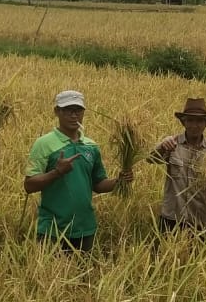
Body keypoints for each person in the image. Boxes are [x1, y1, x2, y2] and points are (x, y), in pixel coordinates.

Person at [23, 89, 132, 252]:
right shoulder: (43, 144)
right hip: (52, 230)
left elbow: (98, 184)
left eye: (78, 110)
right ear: (57, 111)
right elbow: (29, 186)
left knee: (84, 268)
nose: (74, 115)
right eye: (68, 110)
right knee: (49, 269)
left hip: (85, 228)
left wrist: (119, 181)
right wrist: (57, 172)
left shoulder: (91, 146)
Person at [151, 98, 206, 231]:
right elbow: (151, 159)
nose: (194, 125)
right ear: (183, 122)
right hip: (172, 217)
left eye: (199, 121)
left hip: (199, 219)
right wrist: (162, 146)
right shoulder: (172, 144)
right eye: (190, 120)